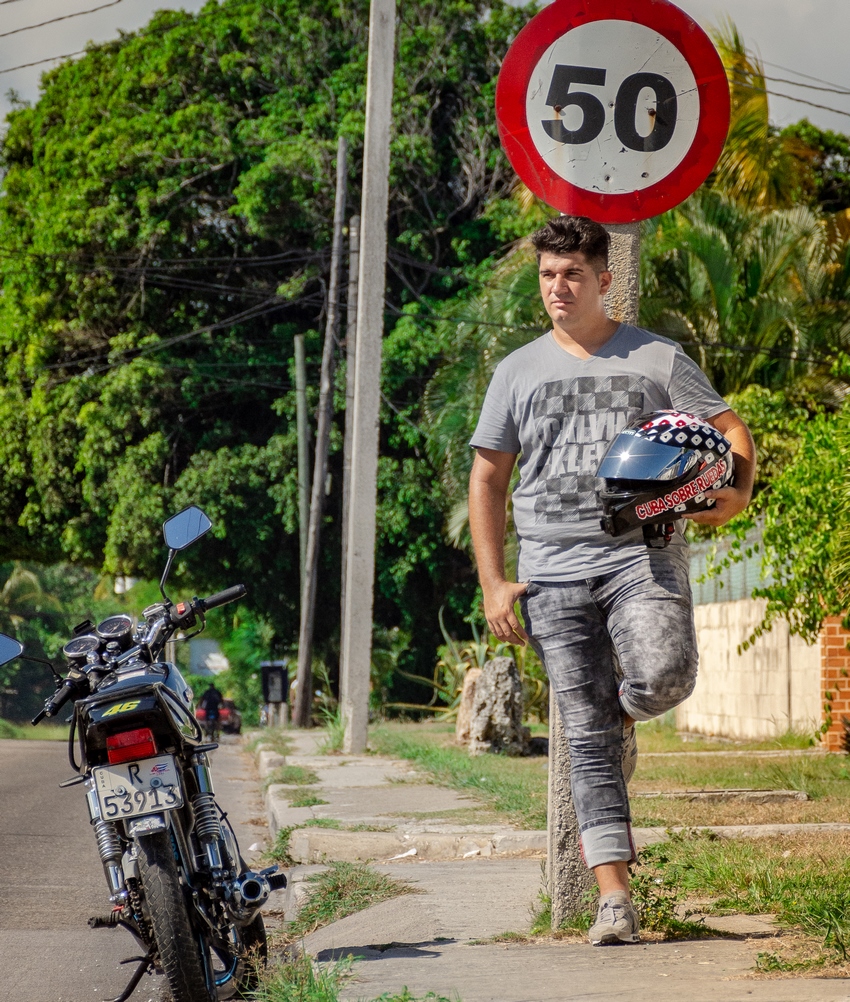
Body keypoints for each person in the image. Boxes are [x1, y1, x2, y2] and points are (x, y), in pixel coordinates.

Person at [468, 215, 756, 946]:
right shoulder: (516, 371)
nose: (557, 289)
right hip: (549, 574)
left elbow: (730, 431)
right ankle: (614, 900)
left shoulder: (657, 358)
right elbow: (488, 477)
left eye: (570, 275)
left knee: (665, 676)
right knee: (585, 737)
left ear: (604, 279)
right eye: (546, 276)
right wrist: (494, 582)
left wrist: (737, 491)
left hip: (640, 555)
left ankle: (627, 714)